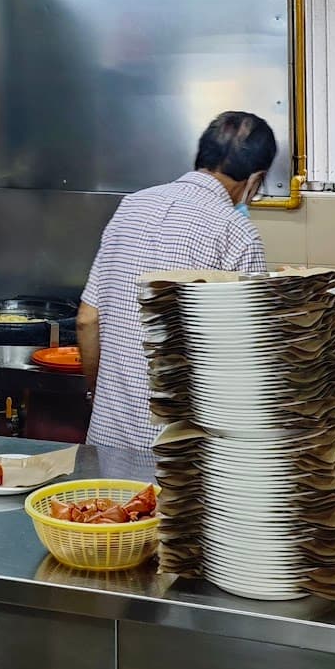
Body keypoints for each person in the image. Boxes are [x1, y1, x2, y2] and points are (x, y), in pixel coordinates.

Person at [77, 111, 278, 450]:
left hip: (108, 440)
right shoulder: (236, 233)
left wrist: (99, 395)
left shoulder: (130, 207)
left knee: (108, 507)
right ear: (255, 180)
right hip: (184, 458)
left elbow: (87, 319)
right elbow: (247, 355)